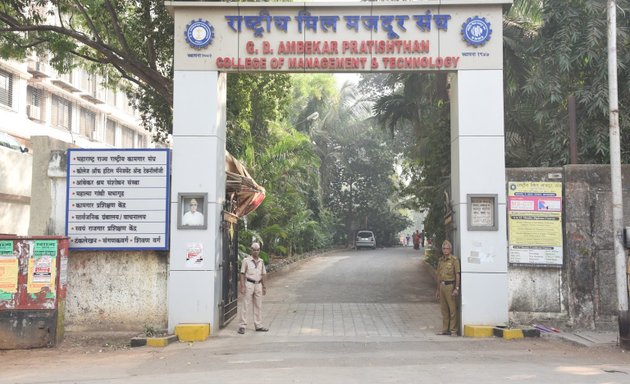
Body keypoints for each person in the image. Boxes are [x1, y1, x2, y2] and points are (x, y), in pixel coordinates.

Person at [238, 242, 268, 334]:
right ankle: (242, 326)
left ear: (259, 251)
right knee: (245, 305)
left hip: (258, 284)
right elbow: (242, 273)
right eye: (254, 249)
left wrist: (264, 287)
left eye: (257, 250)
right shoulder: (246, 260)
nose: (255, 251)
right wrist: (242, 286)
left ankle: (258, 325)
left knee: (258, 305)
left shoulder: (261, 261)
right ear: (251, 250)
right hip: (249, 284)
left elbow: (263, 274)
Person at [436, 239, 461, 336]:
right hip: (442, 286)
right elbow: (438, 275)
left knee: (452, 310)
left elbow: (457, 274)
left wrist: (456, 288)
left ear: (450, 249)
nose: (445, 250)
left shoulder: (454, 260)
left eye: (447, 248)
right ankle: (445, 329)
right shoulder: (440, 260)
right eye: (444, 248)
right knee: (444, 310)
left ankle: (453, 330)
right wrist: (437, 289)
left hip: (450, 286)